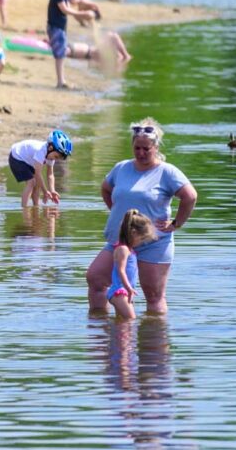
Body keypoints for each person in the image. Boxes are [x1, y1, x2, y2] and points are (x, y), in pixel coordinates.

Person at [83, 117, 197, 315]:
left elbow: (190, 196)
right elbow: (105, 189)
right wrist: (118, 214)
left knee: (153, 296)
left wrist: (176, 223)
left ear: (155, 147)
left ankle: (154, 342)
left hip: (154, 244)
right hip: (120, 241)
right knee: (95, 279)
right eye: (137, 148)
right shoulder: (122, 168)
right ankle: (101, 332)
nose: (141, 153)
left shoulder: (166, 172)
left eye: (146, 149)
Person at [47, 0, 101, 88]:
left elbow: (69, 5)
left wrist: (85, 9)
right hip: (55, 27)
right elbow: (64, 9)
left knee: (61, 53)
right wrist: (83, 14)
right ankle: (61, 82)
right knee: (60, 54)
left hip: (60, 27)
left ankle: (61, 80)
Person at [107, 210, 158, 321]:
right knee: (131, 321)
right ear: (134, 233)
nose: (141, 242)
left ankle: (117, 338)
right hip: (119, 292)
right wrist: (129, 289)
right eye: (141, 239)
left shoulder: (129, 250)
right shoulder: (123, 249)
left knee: (121, 323)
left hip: (123, 292)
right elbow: (121, 271)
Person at [7, 129, 73, 210]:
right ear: (50, 147)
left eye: (58, 158)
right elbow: (38, 174)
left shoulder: (51, 156)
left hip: (28, 161)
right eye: (56, 156)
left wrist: (52, 191)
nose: (55, 159)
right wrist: (45, 192)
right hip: (17, 157)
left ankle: (36, 207)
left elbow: (50, 175)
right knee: (31, 183)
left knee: (37, 184)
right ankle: (24, 209)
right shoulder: (41, 151)